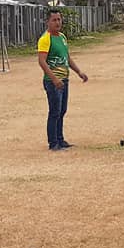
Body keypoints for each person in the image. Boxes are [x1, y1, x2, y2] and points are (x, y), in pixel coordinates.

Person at [37, 9, 88, 151]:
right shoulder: (45, 39)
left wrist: (79, 72)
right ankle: (53, 143)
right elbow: (42, 61)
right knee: (54, 111)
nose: (57, 22)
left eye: (59, 19)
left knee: (62, 111)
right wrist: (54, 79)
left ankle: (60, 139)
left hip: (64, 80)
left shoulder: (62, 37)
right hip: (53, 81)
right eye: (54, 20)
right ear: (47, 22)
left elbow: (67, 58)